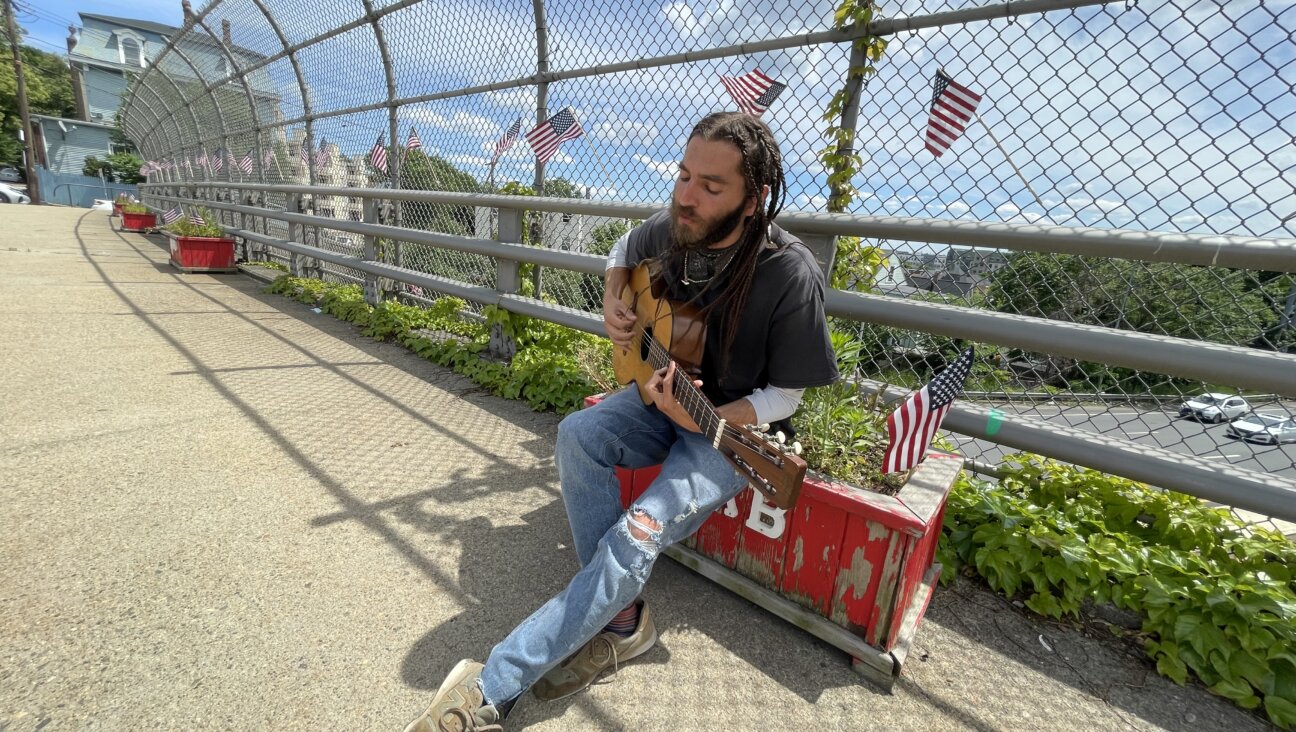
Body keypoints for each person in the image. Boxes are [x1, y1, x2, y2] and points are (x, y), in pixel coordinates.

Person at [405, 111, 839, 731]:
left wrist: (710, 415)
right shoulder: (674, 227)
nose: (686, 196)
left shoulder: (788, 273)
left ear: (754, 199)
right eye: (684, 175)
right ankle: (624, 620)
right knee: (578, 436)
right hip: (658, 395)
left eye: (711, 186)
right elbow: (622, 249)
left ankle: (492, 688)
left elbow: (787, 395)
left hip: (729, 433)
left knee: (636, 532)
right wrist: (615, 298)